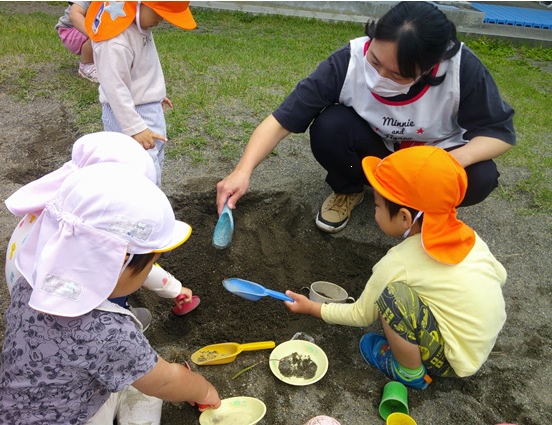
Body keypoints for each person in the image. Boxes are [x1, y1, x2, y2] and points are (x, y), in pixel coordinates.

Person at [216, 1, 515, 233]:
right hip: (377, 151)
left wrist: (444, 164)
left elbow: (498, 133)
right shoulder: (348, 61)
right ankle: (350, 191)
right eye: (375, 60)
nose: (379, 76)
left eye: (398, 74)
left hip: (431, 157)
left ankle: (424, 211)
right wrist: (243, 170)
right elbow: (281, 120)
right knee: (329, 126)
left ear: (431, 66)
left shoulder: (462, 69)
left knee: (481, 177)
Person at [0, 163, 221, 424]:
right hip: (76, 417)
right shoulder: (110, 332)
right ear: (119, 263)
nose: (149, 272)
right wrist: (203, 389)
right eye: (150, 264)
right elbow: (167, 380)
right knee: (148, 389)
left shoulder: (28, 284)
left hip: (15, 412)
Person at [283, 146, 507, 390]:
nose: (374, 211)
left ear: (404, 217)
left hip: (452, 361)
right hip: (479, 345)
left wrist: (312, 307)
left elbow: (361, 315)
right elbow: (500, 276)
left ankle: (410, 373)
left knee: (393, 299)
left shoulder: (399, 261)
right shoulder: (470, 238)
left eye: (377, 206)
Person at [4, 132, 196, 331]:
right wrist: (175, 289)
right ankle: (121, 314)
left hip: (26, 293)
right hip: (71, 308)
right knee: (124, 278)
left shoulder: (59, 211)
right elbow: (129, 263)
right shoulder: (98, 240)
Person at [85, 1, 197, 186]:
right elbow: (115, 88)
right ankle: (140, 210)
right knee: (140, 170)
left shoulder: (137, 25)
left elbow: (141, 69)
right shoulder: (115, 40)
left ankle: (150, 206)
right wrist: (135, 127)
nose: (162, 19)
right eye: (160, 13)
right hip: (132, 115)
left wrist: (154, 96)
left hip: (145, 109)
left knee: (153, 163)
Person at [55, 1, 98, 82]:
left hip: (92, 27)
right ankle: (87, 64)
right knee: (103, 33)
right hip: (71, 30)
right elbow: (74, 15)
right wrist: (93, 35)